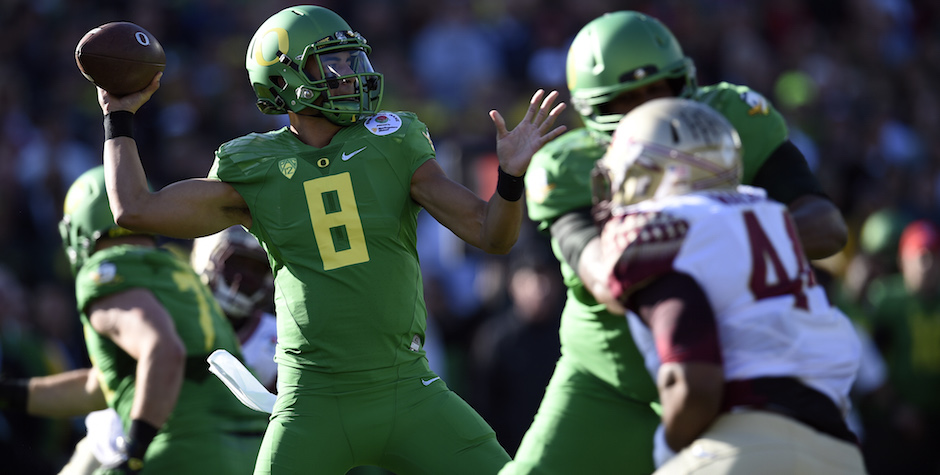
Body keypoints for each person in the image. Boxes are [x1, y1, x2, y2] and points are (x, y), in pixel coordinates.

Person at [93, 5, 566, 474]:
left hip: (406, 386)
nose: (352, 74)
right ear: (284, 78)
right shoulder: (253, 164)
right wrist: (118, 116)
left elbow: (492, 234)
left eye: (353, 59)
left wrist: (509, 178)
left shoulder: (393, 141)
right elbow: (135, 209)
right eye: (334, 63)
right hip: (313, 400)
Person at [508, 10, 848, 474]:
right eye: (628, 100)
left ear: (686, 80)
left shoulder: (729, 118)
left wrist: (710, 230)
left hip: (734, 383)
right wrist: (725, 231)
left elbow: (827, 227)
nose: (653, 113)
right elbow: (608, 279)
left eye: (660, 91)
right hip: (611, 380)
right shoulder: (569, 167)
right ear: (592, 111)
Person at [594, 97, 864, 474]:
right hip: (839, 451)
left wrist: (670, 445)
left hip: (739, 444)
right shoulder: (768, 212)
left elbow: (695, 383)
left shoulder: (661, 228)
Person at [0, 165, 268, 474]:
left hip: (187, 447)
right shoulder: (174, 270)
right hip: (248, 450)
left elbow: (164, 349)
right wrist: (11, 394)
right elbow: (101, 386)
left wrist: (136, 450)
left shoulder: (109, 269)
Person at [191, 225, 277, 391]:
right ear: (206, 257)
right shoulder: (175, 320)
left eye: (257, 269)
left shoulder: (277, 338)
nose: (244, 277)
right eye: (235, 263)